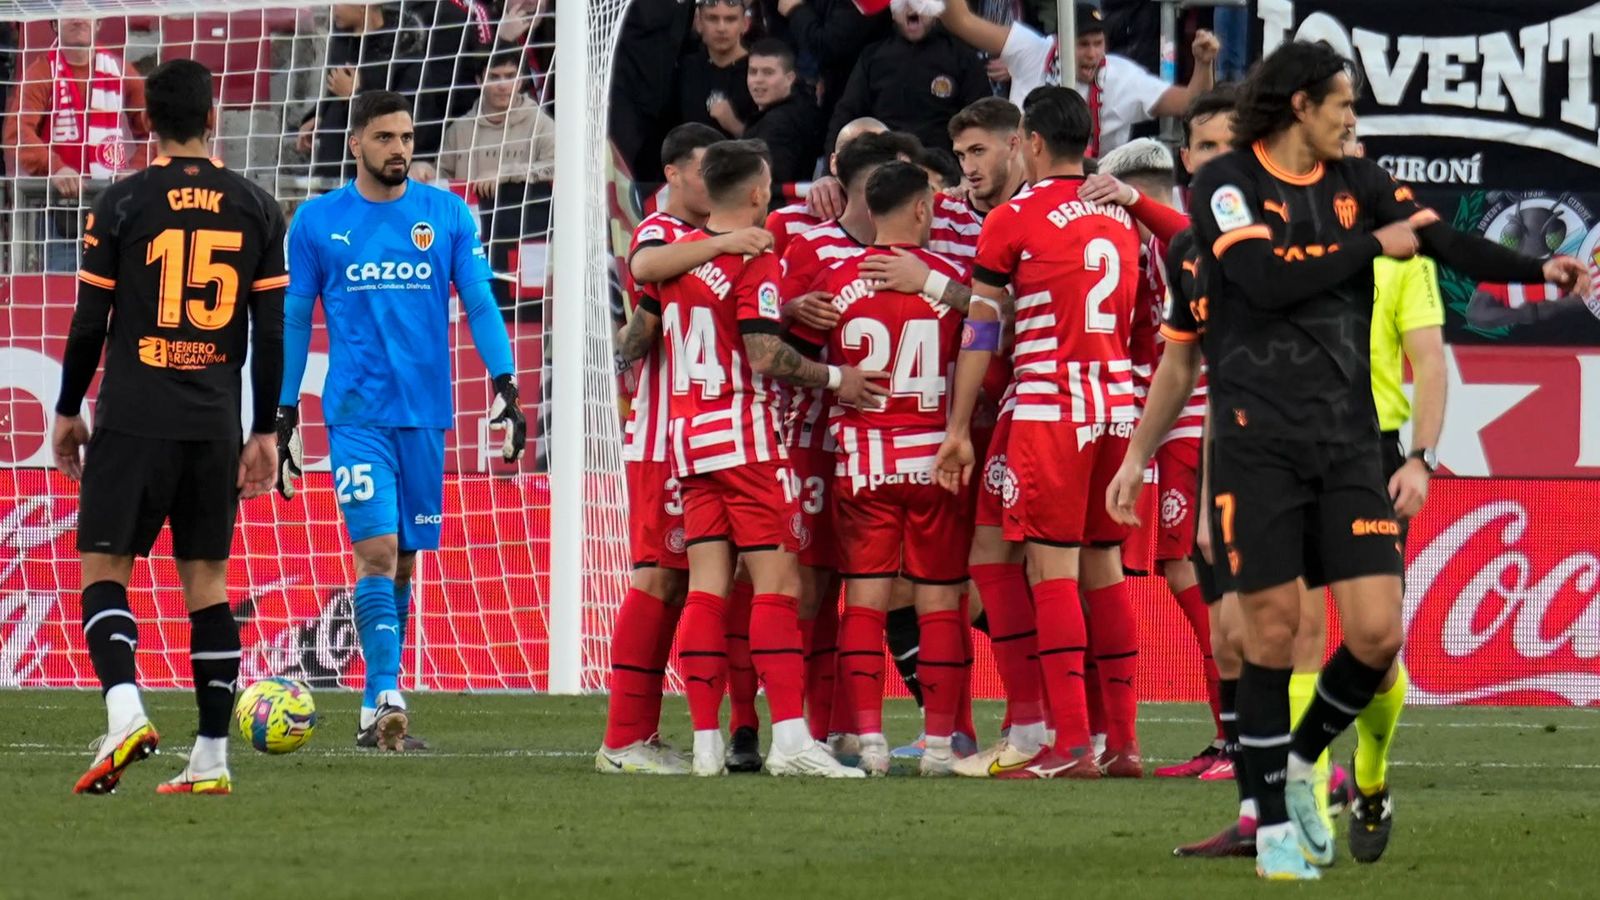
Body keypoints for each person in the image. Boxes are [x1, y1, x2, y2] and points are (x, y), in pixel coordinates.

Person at [1181, 40, 1585, 879]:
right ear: (1301, 105)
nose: (1353, 120)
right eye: (1343, 106)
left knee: (1374, 633)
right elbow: (1262, 278)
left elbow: (1441, 241)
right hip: (1257, 438)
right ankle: (1274, 836)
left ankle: (1297, 764)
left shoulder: (1359, 184)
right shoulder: (1225, 184)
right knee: (1272, 631)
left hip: (1349, 439)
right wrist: (1374, 247)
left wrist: (1540, 269)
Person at [54, 59, 286, 796]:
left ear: (145, 123)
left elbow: (92, 321)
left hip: (135, 416)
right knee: (208, 584)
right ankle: (211, 759)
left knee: (103, 569)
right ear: (213, 117)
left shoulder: (121, 203)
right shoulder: (257, 206)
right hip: (214, 421)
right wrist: (265, 430)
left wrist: (67, 409)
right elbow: (272, 333)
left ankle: (126, 712)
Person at [276, 91, 527, 752]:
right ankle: (389, 692)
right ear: (355, 143)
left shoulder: (445, 215)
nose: (399, 150)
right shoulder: (316, 222)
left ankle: (371, 709)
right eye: (385, 138)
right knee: (377, 552)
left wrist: (506, 382)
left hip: (426, 417)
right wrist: (283, 410)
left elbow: (478, 300)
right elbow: (297, 319)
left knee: (407, 562)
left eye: (408, 138)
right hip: (355, 416)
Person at [648, 139, 881, 777]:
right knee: (780, 588)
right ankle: (791, 742)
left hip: (689, 437)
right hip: (745, 437)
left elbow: (643, 270)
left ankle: (702, 745)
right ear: (756, 193)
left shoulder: (675, 260)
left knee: (707, 590)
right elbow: (765, 356)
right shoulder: (755, 257)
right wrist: (837, 380)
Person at [935, 85, 1143, 780]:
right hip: (1115, 410)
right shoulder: (1119, 218)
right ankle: (1120, 742)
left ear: (1029, 142)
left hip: (1048, 411)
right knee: (1101, 567)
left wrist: (958, 427)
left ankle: (1068, 742)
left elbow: (984, 327)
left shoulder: (1015, 217)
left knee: (1047, 571)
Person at [789, 161, 973, 776]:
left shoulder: (835, 280)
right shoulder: (946, 278)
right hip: (935, 460)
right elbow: (996, 327)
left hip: (863, 464)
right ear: (922, 210)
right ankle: (942, 747)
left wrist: (791, 310)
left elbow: (791, 353)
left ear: (867, 209)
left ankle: (868, 743)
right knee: (940, 604)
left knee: (863, 606)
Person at [600, 122, 773, 775]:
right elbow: (645, 271)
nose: (716, 183)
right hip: (666, 438)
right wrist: (726, 242)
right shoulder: (662, 232)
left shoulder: (726, 238)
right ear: (673, 175)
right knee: (660, 574)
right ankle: (624, 738)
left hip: (721, 437)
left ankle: (722, 731)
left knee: (716, 582)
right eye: (704, 170)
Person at [1094, 136, 1223, 776]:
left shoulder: (1180, 240)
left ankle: (1240, 739)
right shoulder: (1150, 244)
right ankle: (1234, 738)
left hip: (1190, 421)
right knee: (1186, 569)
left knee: (1198, 574)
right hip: (1167, 420)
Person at [938, 0, 1218, 155]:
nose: (1093, 54)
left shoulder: (1122, 76)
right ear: (1059, 42)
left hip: (1097, 189)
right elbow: (960, 21)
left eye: (1098, 43)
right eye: (1083, 45)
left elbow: (1192, 102)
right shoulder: (1032, 50)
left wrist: (1204, 64)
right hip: (1025, 182)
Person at [5, 16, 151, 272]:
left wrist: (137, 169)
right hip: (60, 211)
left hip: (114, 208)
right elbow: (17, 132)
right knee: (63, 291)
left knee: (121, 291)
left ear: (98, 23)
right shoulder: (41, 72)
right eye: (68, 11)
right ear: (53, 25)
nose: (77, 19)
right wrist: (55, 167)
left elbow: (157, 128)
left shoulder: (122, 70)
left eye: (85, 11)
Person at [437, 49, 557, 317]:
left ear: (521, 80)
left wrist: (505, 174)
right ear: (480, 81)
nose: (503, 84)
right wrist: (425, 172)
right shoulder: (458, 129)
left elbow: (559, 166)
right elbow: (442, 178)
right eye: (494, 76)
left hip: (523, 253)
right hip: (468, 248)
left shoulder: (541, 124)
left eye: (510, 76)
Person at [825, 3, 988, 154]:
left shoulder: (962, 57)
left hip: (943, 168)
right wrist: (830, 172)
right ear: (893, 13)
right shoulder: (873, 57)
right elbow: (846, 114)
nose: (911, 5)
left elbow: (981, 119)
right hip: (885, 167)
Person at [298, 3, 428, 181]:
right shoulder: (341, 40)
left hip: (370, 171)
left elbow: (403, 112)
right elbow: (334, 90)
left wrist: (355, 94)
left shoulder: (403, 48)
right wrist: (318, 116)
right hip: (331, 164)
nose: (332, 8)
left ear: (362, 5)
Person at [743, 39, 824, 188]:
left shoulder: (778, 124)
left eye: (768, 72)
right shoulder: (798, 108)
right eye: (753, 72)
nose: (758, 80)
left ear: (789, 78)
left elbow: (769, 183)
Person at [674, 0, 759, 138]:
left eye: (730, 19)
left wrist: (735, 126)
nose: (721, 28)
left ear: (745, 24)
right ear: (699, 23)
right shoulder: (686, 68)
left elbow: (773, 145)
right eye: (712, 18)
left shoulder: (760, 71)